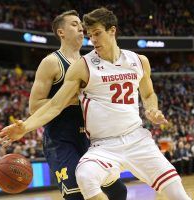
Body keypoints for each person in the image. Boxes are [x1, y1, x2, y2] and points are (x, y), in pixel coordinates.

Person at [0, 8, 191, 200]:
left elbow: (148, 94)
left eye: (93, 32)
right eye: (87, 32)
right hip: (74, 139)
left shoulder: (136, 61)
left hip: (118, 137)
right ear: (60, 32)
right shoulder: (72, 65)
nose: (89, 37)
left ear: (112, 30)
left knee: (122, 191)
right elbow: (52, 105)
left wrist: (152, 109)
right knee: (80, 186)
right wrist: (27, 126)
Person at [21, 10, 126, 200]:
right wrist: (72, 98)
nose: (81, 27)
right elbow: (35, 106)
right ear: (61, 32)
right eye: (74, 24)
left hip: (91, 139)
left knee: (118, 191)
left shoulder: (91, 62)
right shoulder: (52, 62)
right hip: (61, 140)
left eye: (81, 25)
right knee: (77, 196)